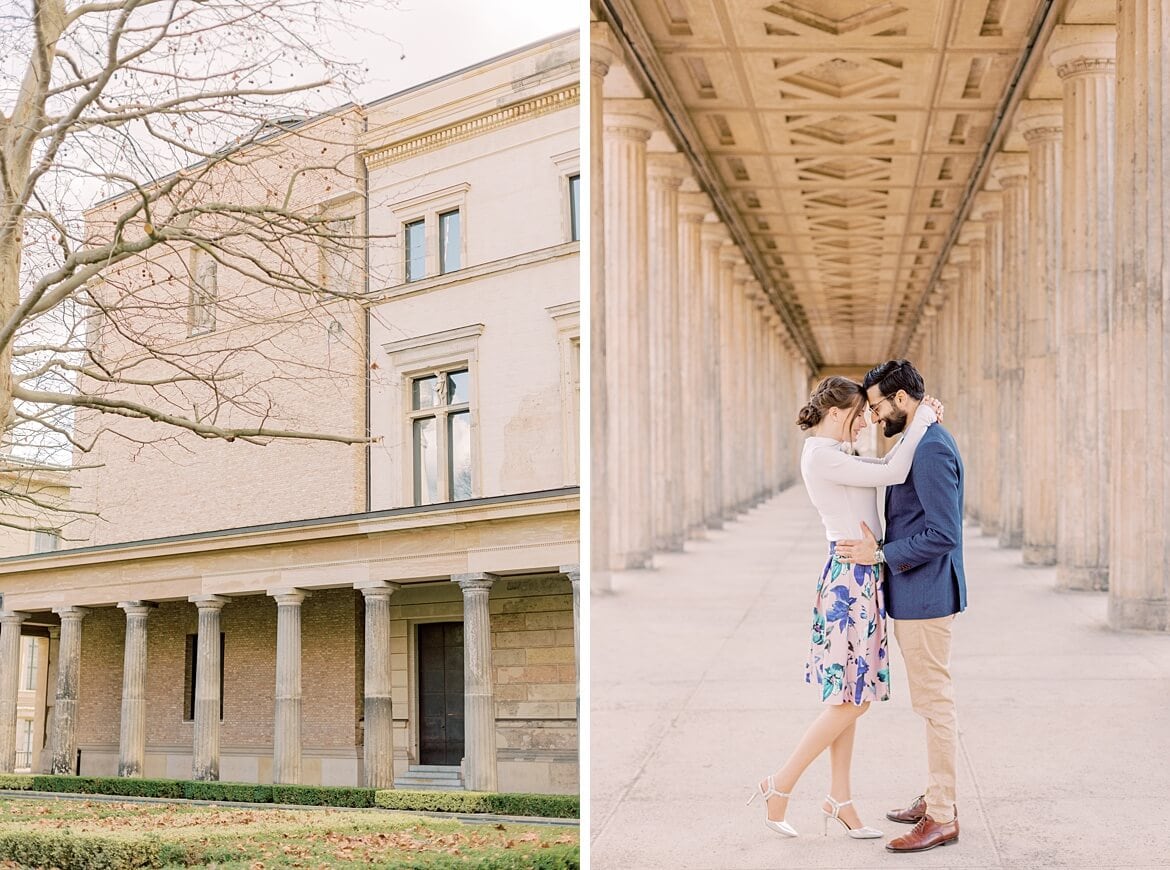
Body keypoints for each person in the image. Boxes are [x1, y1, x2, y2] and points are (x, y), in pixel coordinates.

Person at [749, 375, 939, 840]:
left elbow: (888, 462)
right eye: (859, 416)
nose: (865, 424)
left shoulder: (837, 455)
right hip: (850, 581)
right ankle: (780, 783)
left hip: (861, 574)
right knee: (852, 702)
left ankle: (840, 799)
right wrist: (925, 420)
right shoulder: (821, 455)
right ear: (836, 413)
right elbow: (893, 471)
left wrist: (918, 420)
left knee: (849, 697)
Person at [835, 359, 966, 854]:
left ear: (902, 400)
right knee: (932, 703)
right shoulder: (919, 440)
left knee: (935, 706)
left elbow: (944, 533)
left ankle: (943, 815)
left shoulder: (930, 450)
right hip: (919, 594)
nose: (874, 414)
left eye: (877, 405)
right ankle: (937, 795)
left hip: (927, 596)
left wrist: (882, 554)